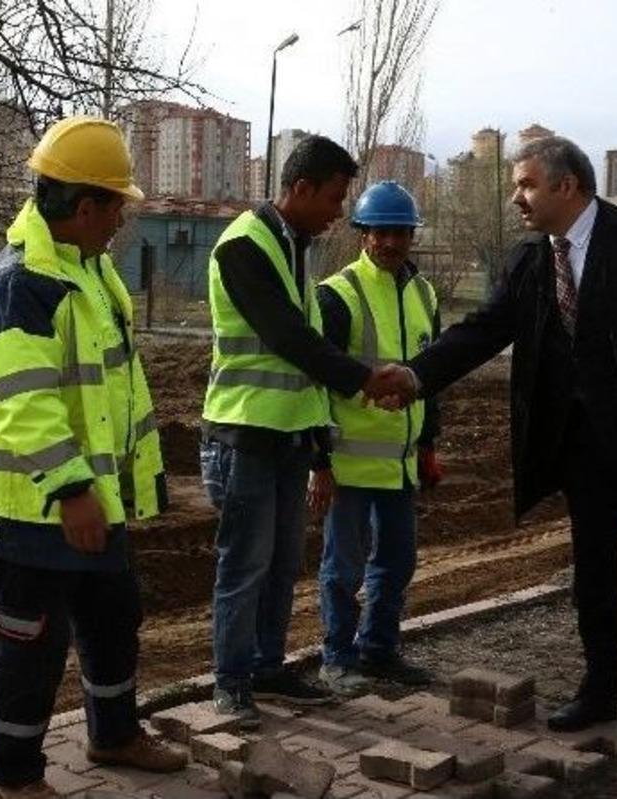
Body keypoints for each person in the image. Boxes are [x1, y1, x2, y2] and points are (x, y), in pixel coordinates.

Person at [399, 136, 617, 759]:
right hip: (586, 450)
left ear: (566, 186)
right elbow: (482, 331)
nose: (516, 197)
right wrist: (417, 376)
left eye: (525, 184)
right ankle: (599, 690)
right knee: (594, 575)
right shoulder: (531, 260)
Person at [0, 116, 187, 799]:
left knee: (113, 618)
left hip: (95, 498)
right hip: (39, 505)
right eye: (116, 203)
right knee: (30, 641)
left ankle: (113, 733)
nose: (122, 217)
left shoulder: (87, 273)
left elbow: (111, 391)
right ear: (85, 205)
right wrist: (70, 490)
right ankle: (14, 776)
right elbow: (25, 404)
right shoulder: (20, 286)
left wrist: (119, 485)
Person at [200, 135, 415, 729]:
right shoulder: (244, 246)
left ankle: (268, 667)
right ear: (299, 190)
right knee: (244, 565)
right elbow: (289, 339)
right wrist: (366, 380)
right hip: (245, 432)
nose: (338, 212)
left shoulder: (295, 247)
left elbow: (308, 360)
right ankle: (232, 680)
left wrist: (320, 446)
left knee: (279, 563)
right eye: (333, 198)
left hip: (290, 436)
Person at [310, 181, 443, 697]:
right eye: (380, 231)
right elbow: (315, 384)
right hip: (348, 465)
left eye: (400, 232)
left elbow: (431, 377)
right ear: (363, 234)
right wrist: (319, 459)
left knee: (397, 562)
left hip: (401, 465)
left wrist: (428, 444)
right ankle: (337, 657)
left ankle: (379, 650)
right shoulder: (337, 295)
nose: (390, 242)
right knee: (342, 568)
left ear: (411, 236)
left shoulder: (424, 294)